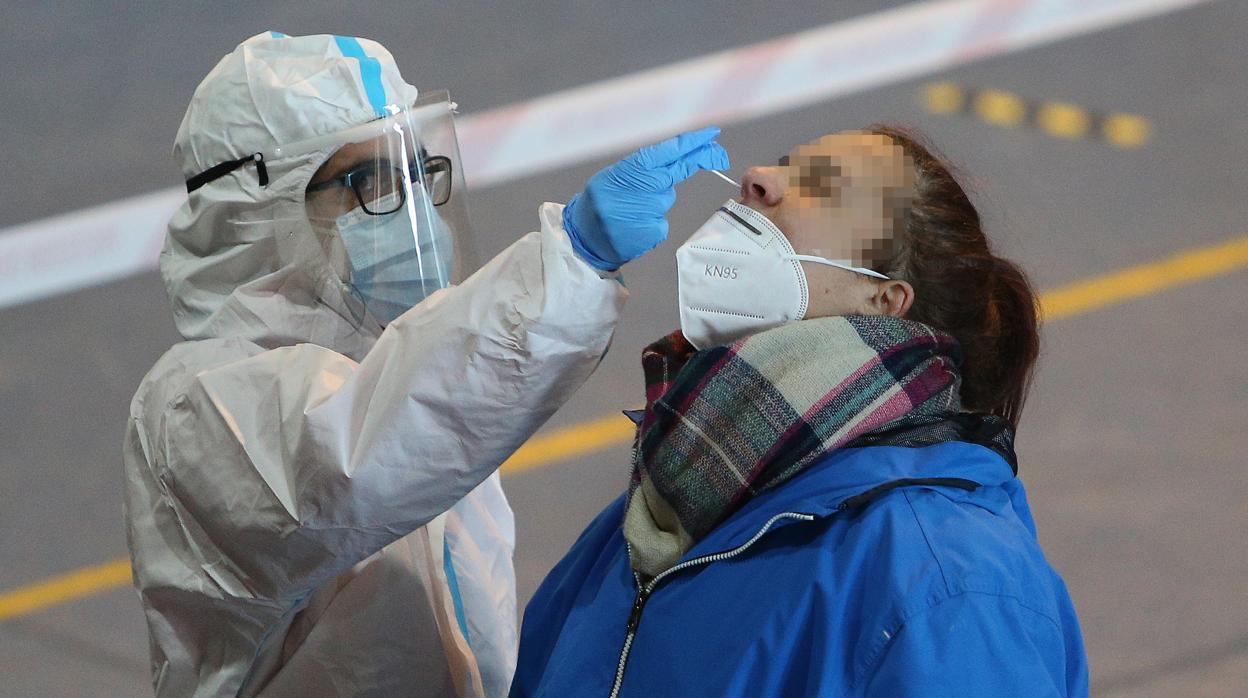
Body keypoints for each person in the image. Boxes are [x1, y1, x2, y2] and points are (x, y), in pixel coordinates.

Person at [122, 31, 727, 698]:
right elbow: (352, 462)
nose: (409, 205)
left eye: (416, 170)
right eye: (370, 180)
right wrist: (574, 264)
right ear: (260, 211)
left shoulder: (400, 359)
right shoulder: (196, 405)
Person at [511, 127, 1089, 697]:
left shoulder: (946, 577)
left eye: (825, 188)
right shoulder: (668, 503)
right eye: (784, 163)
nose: (757, 177)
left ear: (885, 300)